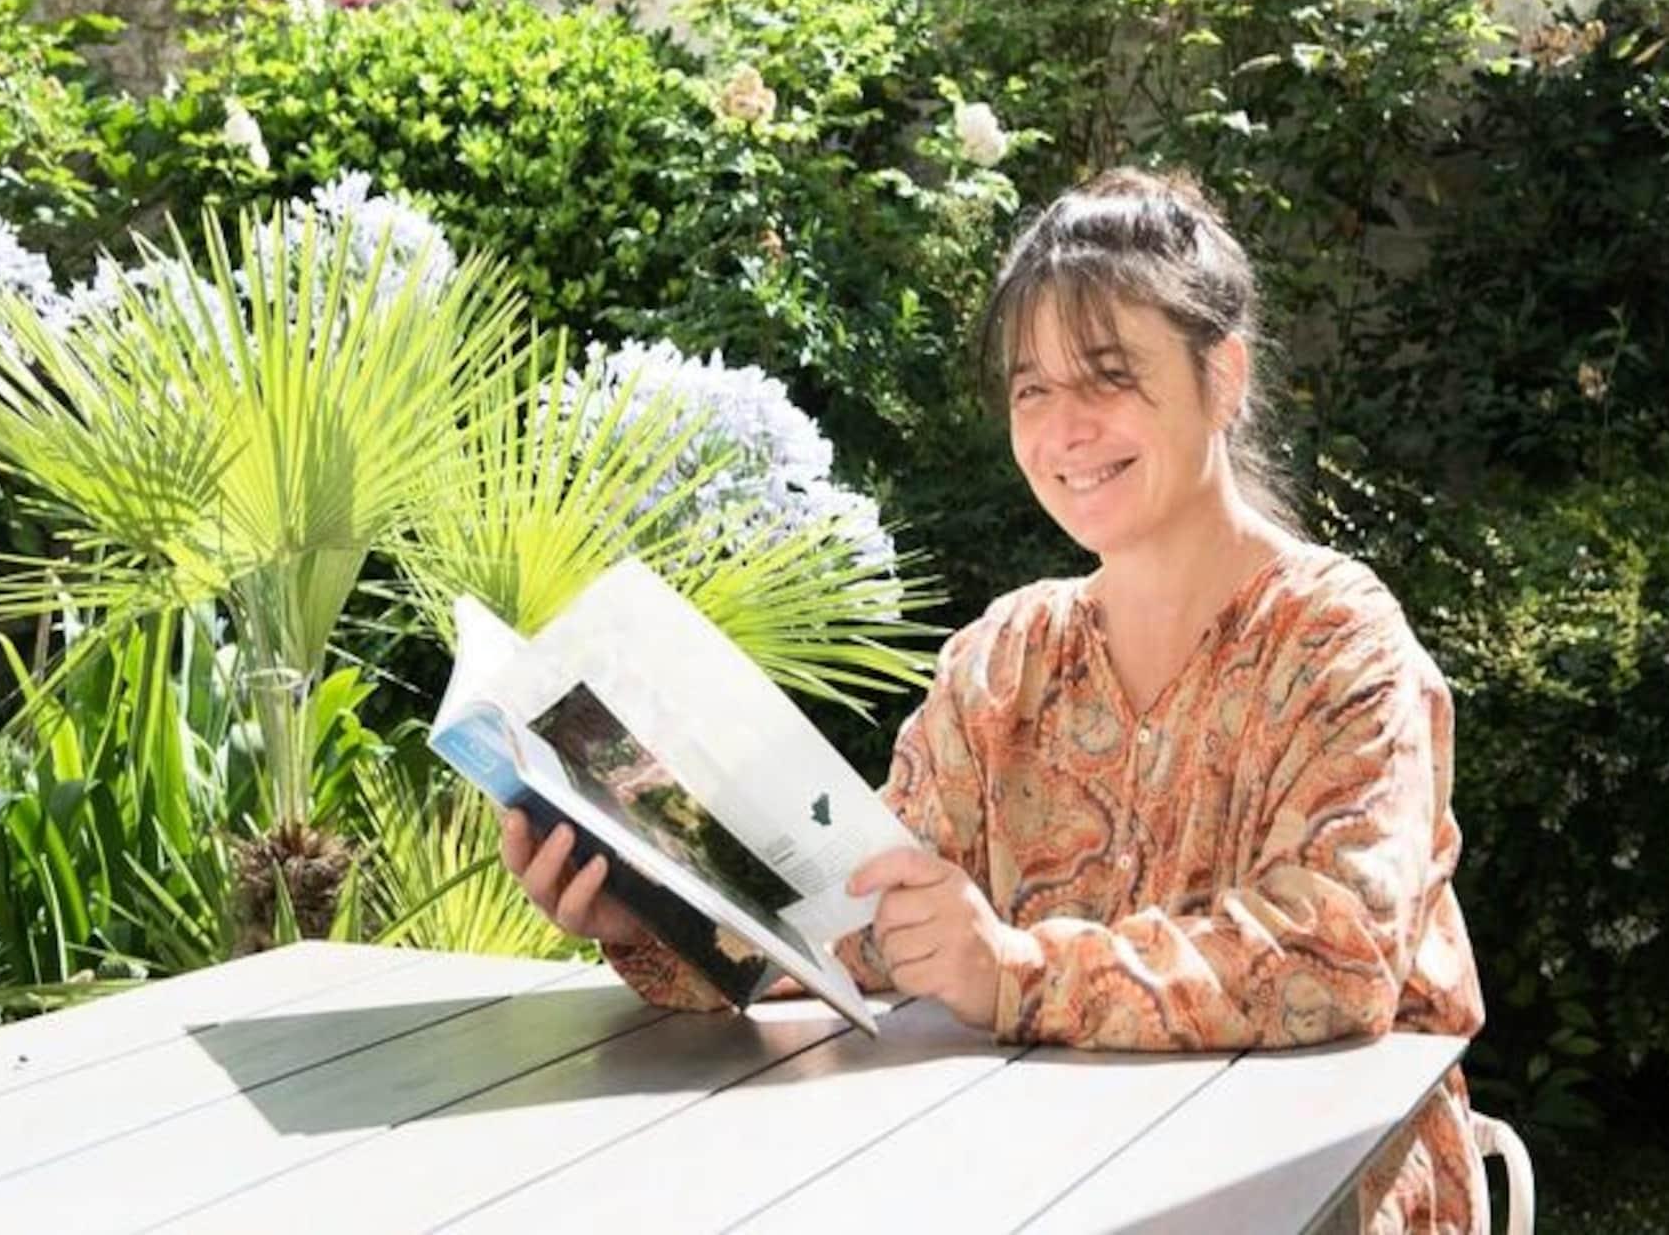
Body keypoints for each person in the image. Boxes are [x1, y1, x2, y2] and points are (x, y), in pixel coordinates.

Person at [500, 167, 1487, 1233]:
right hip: (1045, 1176)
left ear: (1223, 377)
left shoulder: (1337, 641)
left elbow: (1332, 958)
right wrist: (651, 909)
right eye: (1031, 390)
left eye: (1107, 376)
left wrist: (1012, 972)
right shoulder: (1007, 658)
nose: (1065, 430)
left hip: (1313, 1188)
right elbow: (860, 928)